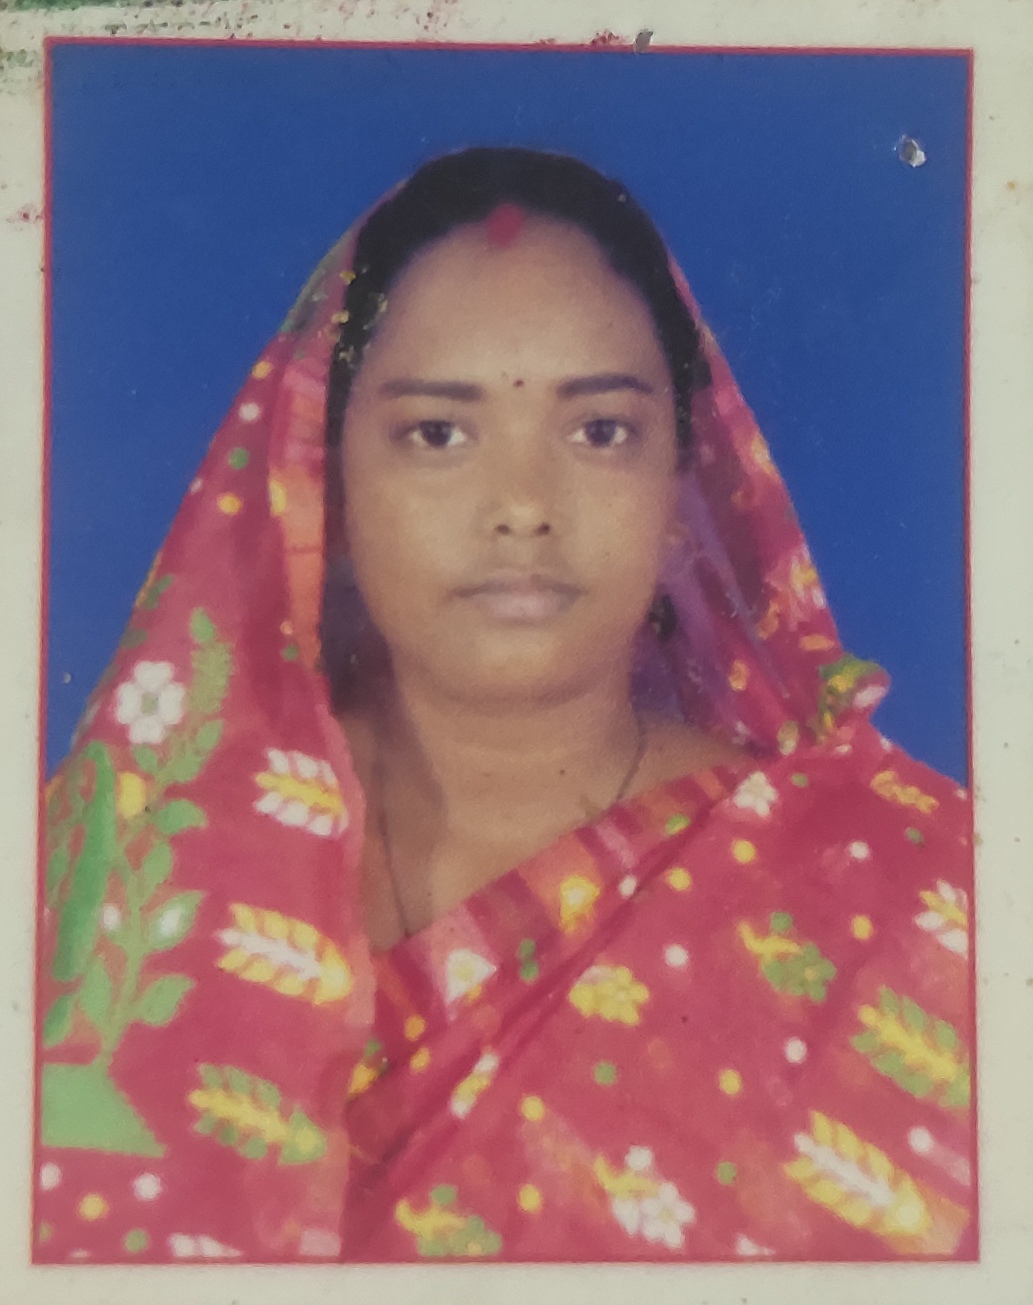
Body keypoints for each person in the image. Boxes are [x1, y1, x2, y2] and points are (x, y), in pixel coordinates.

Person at [35, 147, 974, 1264]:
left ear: (682, 485)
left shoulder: (919, 890)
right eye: (438, 433)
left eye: (599, 431)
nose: (522, 507)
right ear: (324, 482)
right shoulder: (121, 866)